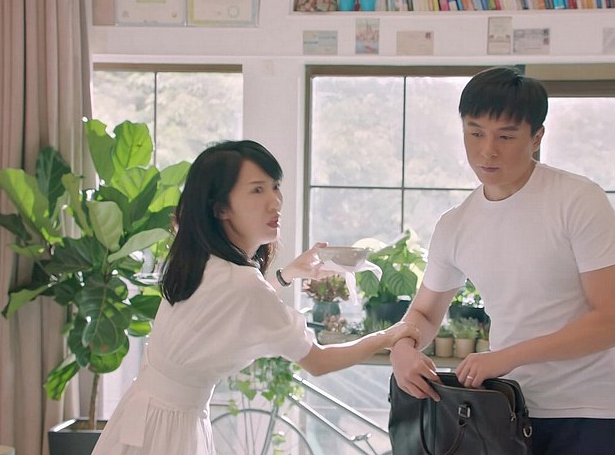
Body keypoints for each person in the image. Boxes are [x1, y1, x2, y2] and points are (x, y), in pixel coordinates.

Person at [92, 139, 418, 455]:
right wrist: (387, 336)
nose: (275, 201)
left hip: (143, 418)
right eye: (257, 190)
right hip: (171, 433)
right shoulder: (242, 283)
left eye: (275, 186)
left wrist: (288, 274)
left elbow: (230, 308)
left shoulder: (200, 261)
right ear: (221, 208)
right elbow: (317, 361)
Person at [389, 67, 615, 455]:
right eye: (475, 133)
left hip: (589, 411)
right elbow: (423, 313)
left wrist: (505, 358)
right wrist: (402, 347)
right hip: (503, 410)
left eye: (505, 136)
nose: (487, 150)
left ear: (536, 137)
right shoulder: (456, 224)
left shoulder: (577, 201)